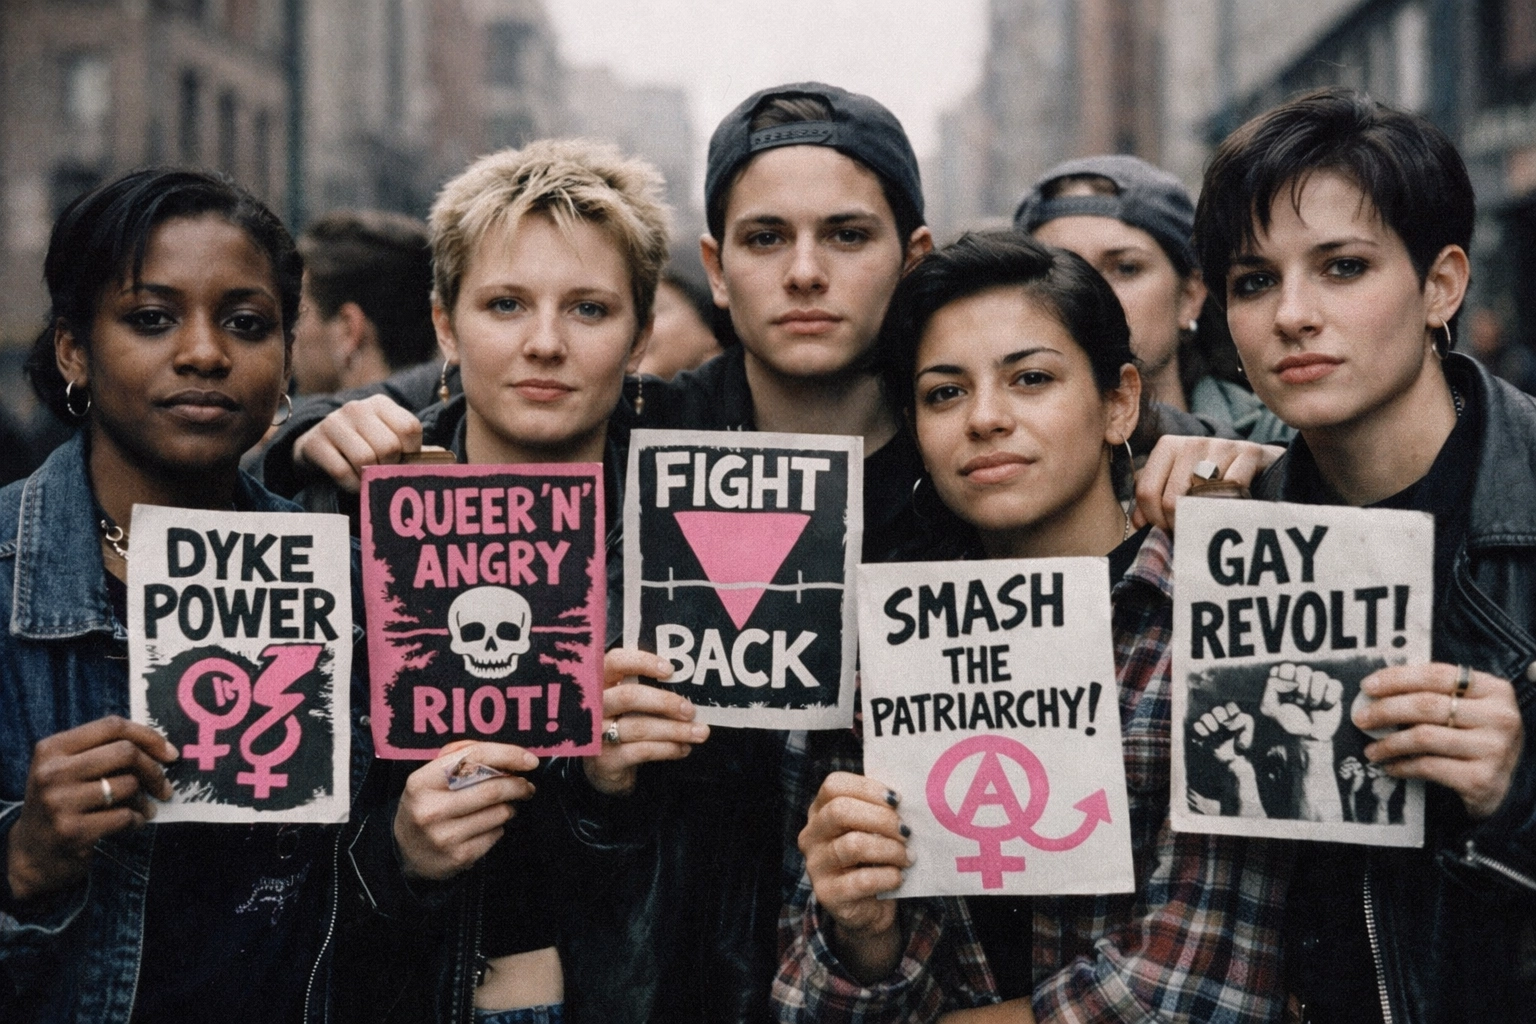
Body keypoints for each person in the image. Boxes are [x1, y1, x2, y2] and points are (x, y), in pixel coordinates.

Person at [774, 230, 1290, 1023]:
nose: (985, 419)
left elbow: (1194, 995)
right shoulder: (879, 654)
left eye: (1031, 379)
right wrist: (863, 930)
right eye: (945, 393)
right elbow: (806, 1001)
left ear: (1119, 401)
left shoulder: (1219, 612)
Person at [0, 168, 387, 1021]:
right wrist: (21, 861)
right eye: (152, 318)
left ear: (289, 356)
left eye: (247, 324)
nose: (206, 352)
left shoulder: (354, 580)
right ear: (73, 348)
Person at [1192, 87, 1534, 1023]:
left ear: (1442, 285)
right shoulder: (1224, 527)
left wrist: (1520, 787)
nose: (1292, 315)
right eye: (1254, 281)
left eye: (1342, 268)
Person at [330, 137, 681, 1024]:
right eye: (505, 303)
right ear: (446, 324)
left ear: (641, 335)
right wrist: (395, 856)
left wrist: (615, 795)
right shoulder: (340, 515)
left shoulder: (692, 533)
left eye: (590, 309)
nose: (545, 343)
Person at [1015, 154, 1292, 444]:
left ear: (1189, 297)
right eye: (1060, 272)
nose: (1092, 294)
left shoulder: (1286, 438)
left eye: (1126, 268)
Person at [291, 209, 438, 396]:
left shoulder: (306, 424)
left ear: (348, 329)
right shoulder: (458, 418)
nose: (289, 336)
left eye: (298, 316)